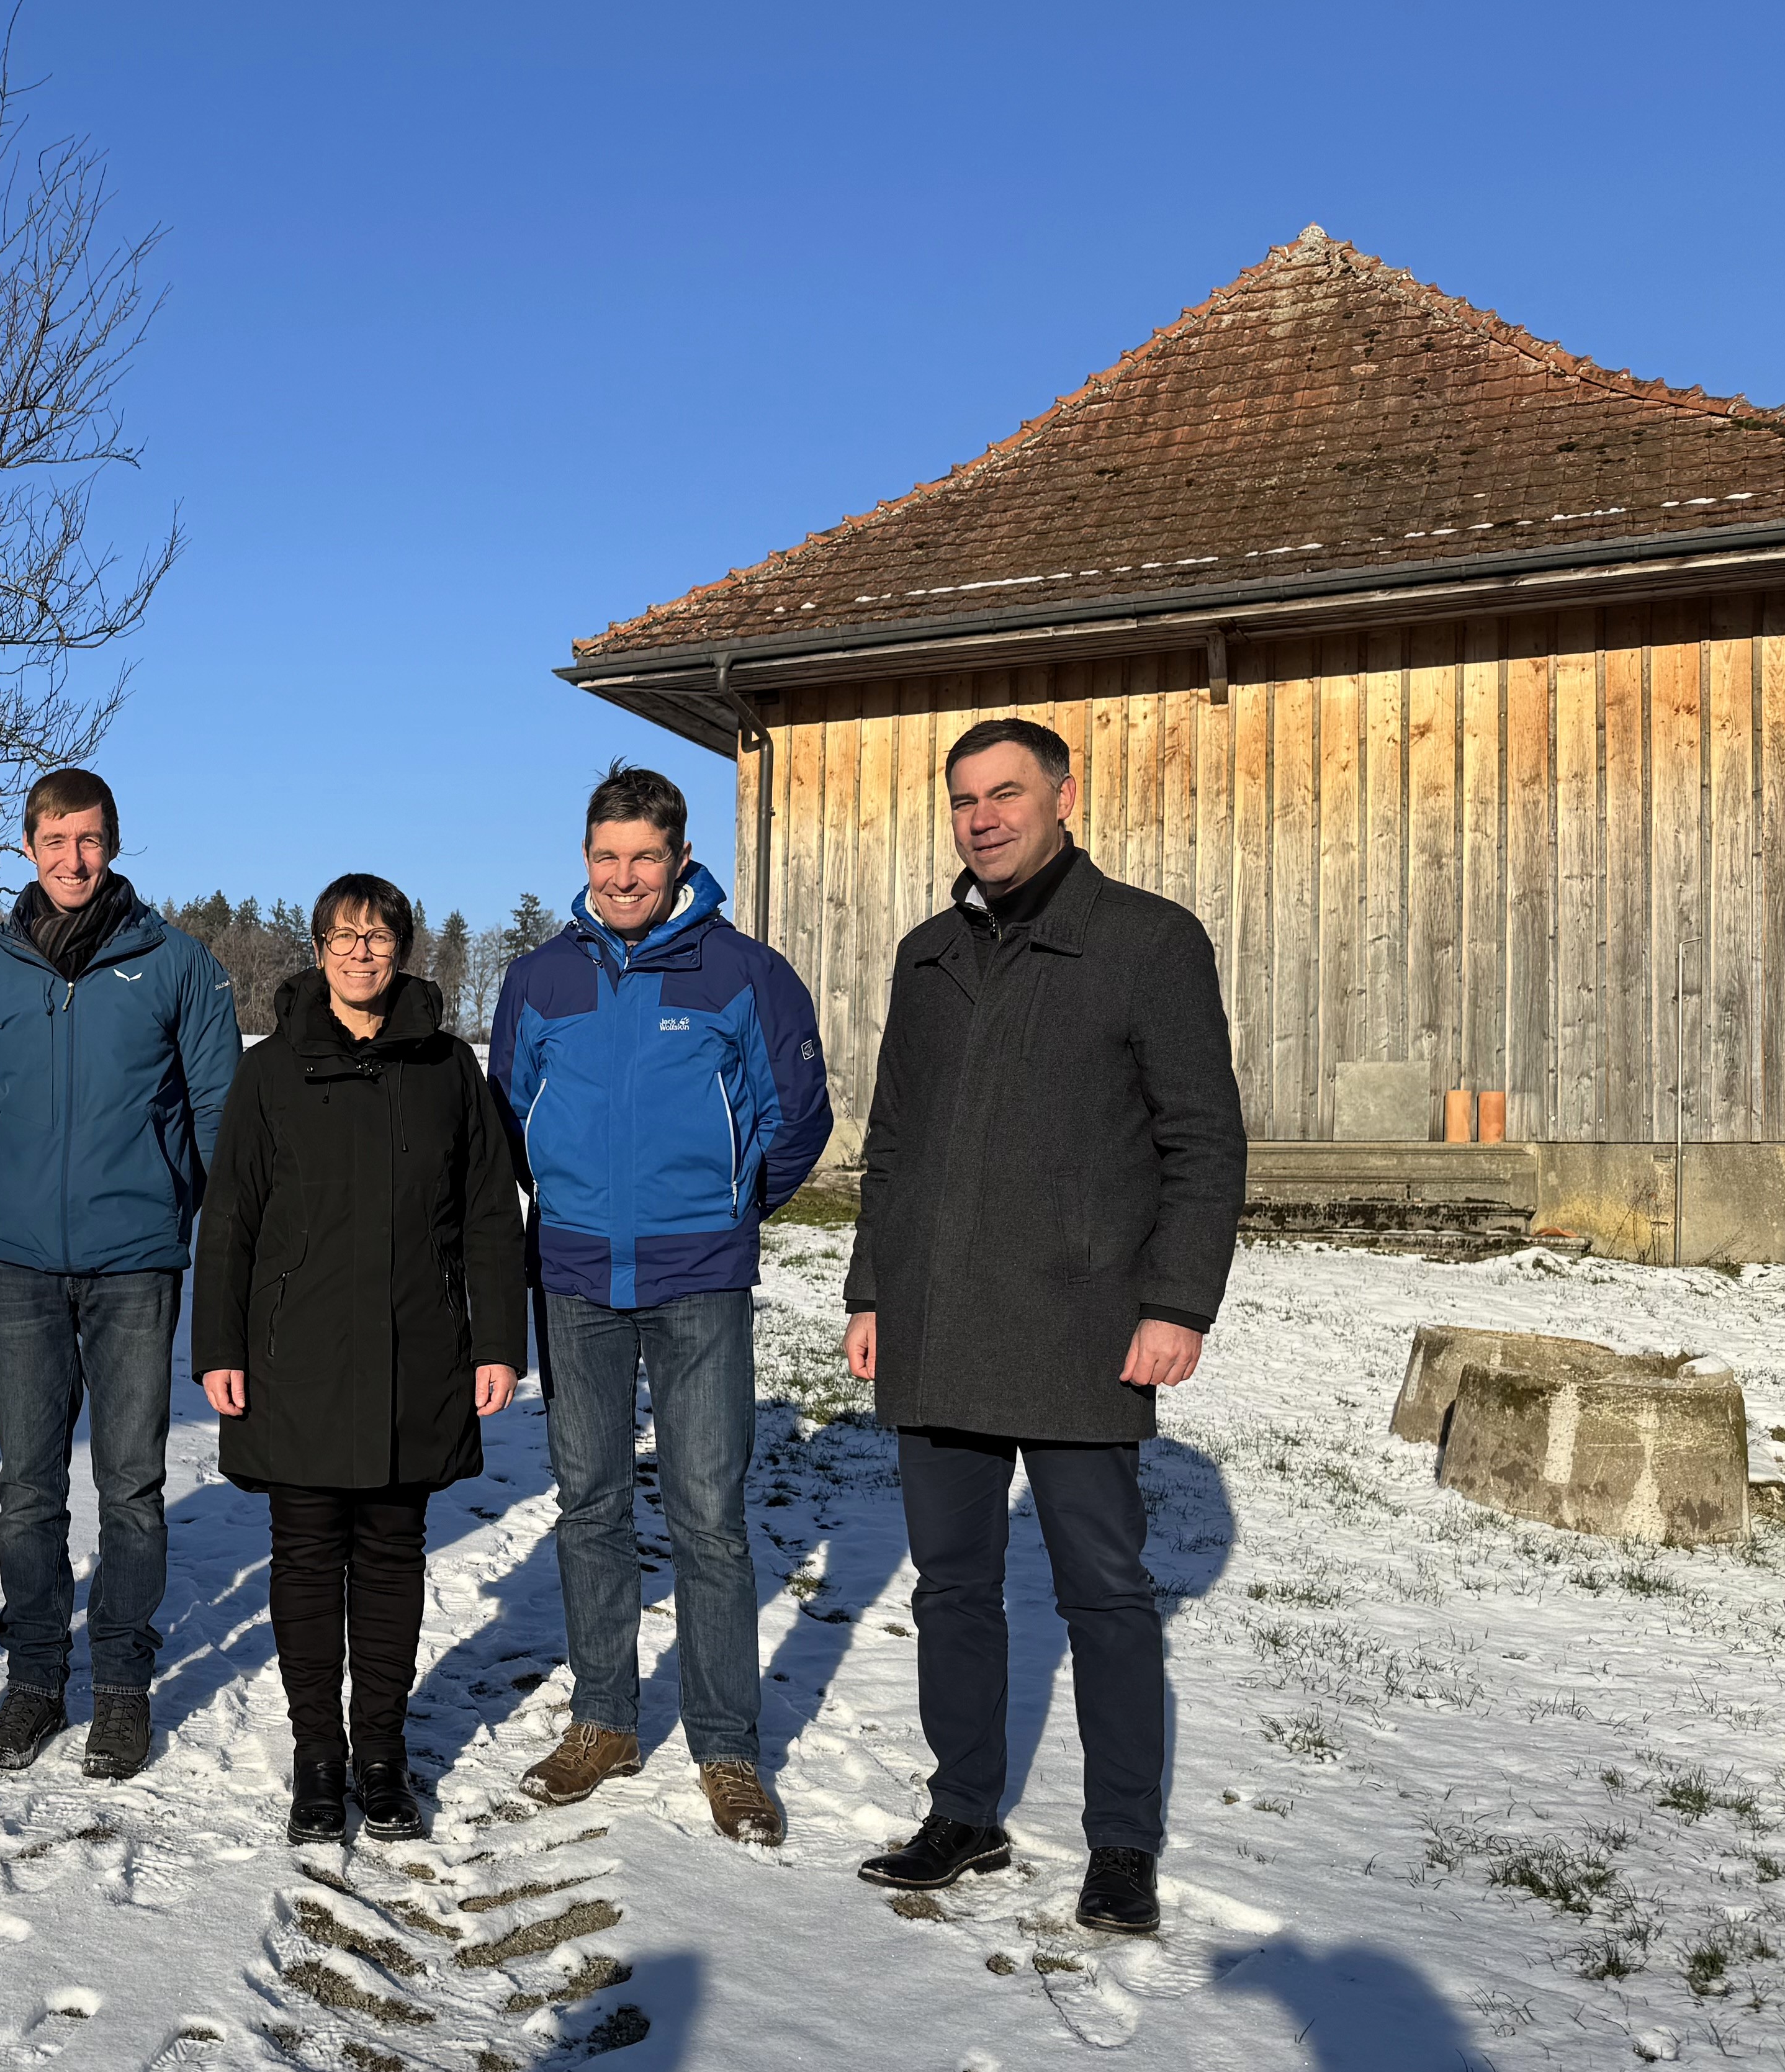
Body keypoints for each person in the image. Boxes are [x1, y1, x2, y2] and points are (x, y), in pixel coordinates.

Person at [842, 716, 1246, 1935]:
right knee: (955, 1589)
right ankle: (964, 1809)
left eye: (1006, 793)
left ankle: (1122, 1842)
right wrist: (872, 1288)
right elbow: (895, 1145)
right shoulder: (926, 958)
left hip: (1084, 1329)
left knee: (1105, 1597)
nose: (984, 817)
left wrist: (1177, 1302)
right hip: (936, 1322)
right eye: (966, 799)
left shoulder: (1146, 944)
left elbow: (1204, 1140)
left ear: (1065, 795)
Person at [487, 767, 832, 1844]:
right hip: (578, 1277)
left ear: (680, 859)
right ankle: (603, 1721)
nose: (624, 877)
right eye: (605, 858)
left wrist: (729, 1210)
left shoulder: (744, 973)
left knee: (708, 1517)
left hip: (699, 1281)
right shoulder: (540, 980)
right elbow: (504, 1118)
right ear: (583, 861)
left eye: (643, 857)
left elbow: (798, 1117)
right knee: (589, 1504)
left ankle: (726, 1744)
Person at [193, 873, 526, 1844]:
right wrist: (220, 1345)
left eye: (377, 939)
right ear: (318, 948)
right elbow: (231, 1221)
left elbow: (487, 1219)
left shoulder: (446, 1069)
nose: (359, 954)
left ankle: (381, 1755)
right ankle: (317, 1761)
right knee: (303, 1560)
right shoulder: (271, 1071)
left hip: (417, 1352)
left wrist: (497, 1341)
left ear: (403, 950)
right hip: (294, 1355)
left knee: (389, 1561)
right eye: (342, 938)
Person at [0, 767, 241, 1780]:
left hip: (133, 1264)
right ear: (28, 847)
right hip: (17, 1264)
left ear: (115, 844)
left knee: (133, 1486)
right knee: (28, 1487)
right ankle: (34, 1680)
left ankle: (120, 1683)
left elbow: (215, 1117)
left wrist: (154, 1203)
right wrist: (27, 1191)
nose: (75, 860)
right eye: (56, 840)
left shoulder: (176, 964)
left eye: (93, 840)